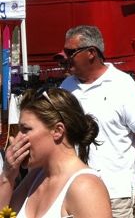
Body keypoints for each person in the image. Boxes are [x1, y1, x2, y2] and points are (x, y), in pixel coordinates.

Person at [60, 25, 135, 218]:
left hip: (116, 194)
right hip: (76, 190)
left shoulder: (123, 85)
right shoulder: (66, 87)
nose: (65, 57)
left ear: (91, 53)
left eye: (70, 52)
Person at [0, 87, 112, 218]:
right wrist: (8, 175)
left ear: (58, 131)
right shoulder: (36, 177)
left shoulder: (85, 187)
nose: (17, 138)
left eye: (26, 129)